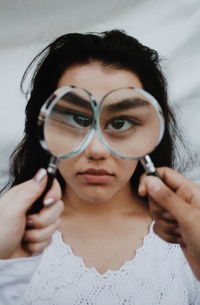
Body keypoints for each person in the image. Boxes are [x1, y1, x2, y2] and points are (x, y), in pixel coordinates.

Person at [0, 29, 200, 305]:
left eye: (120, 123)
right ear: (41, 126)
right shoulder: (7, 238)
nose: (96, 150)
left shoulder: (189, 238)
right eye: (77, 119)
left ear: (154, 131)